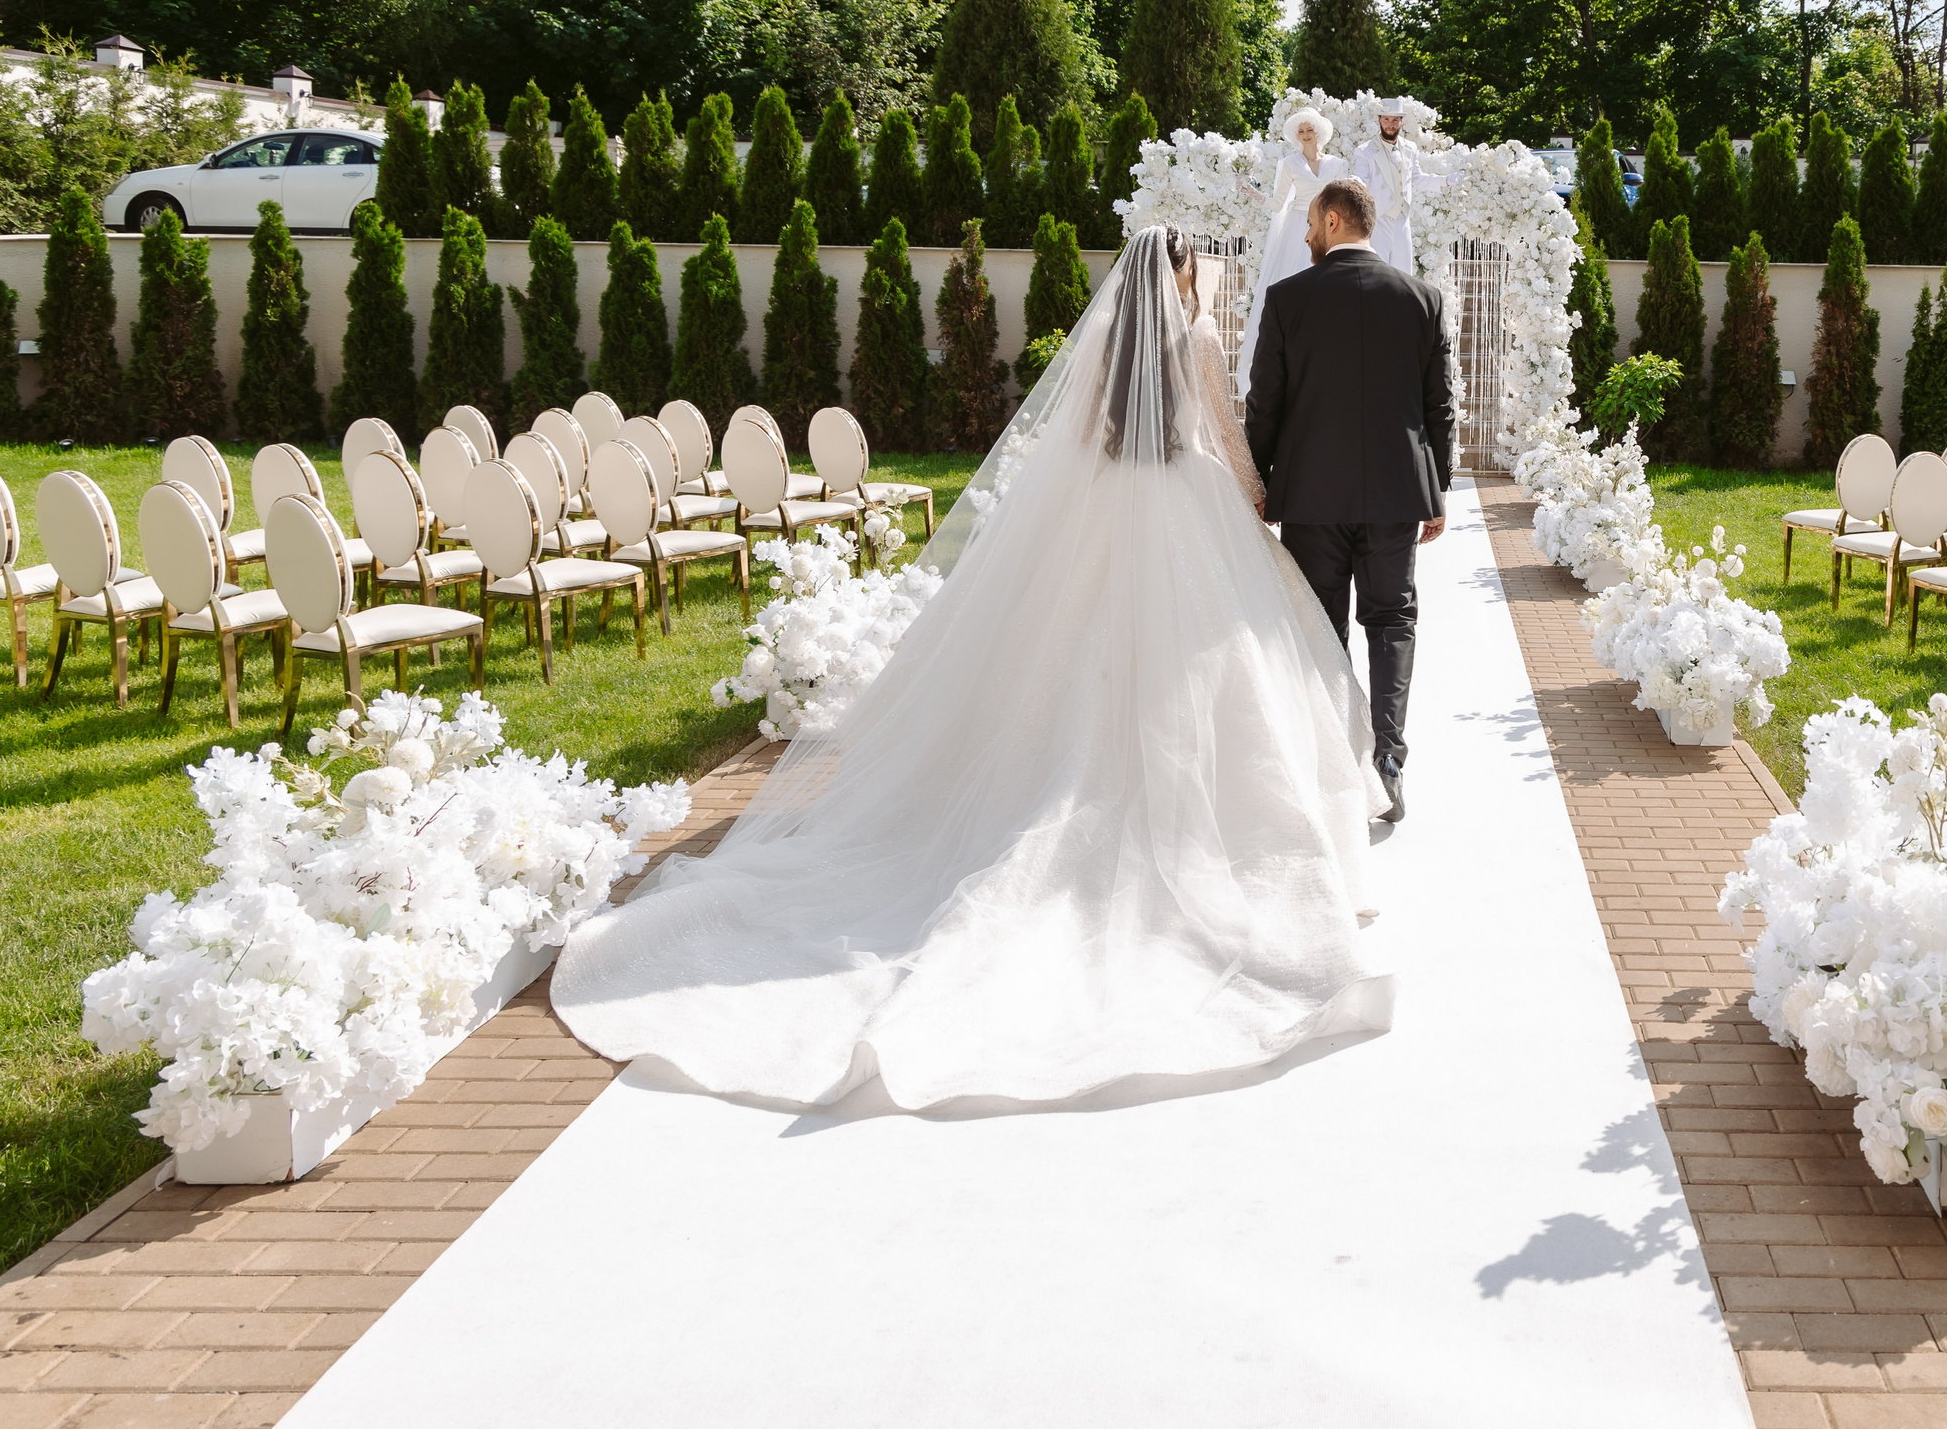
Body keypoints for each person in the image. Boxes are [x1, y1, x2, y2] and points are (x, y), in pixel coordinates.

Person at [553, 227, 1395, 1111]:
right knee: (1207, 669)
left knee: (1068, 660)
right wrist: (1257, 502)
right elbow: (1224, 438)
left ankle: (1049, 783)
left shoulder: (1105, 339)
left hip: (1098, 506)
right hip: (1184, 508)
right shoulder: (1198, 337)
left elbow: (1069, 440)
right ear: (1181, 274)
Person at [1245, 178, 1457, 825]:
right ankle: (1388, 761)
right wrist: (1436, 488)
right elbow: (1440, 406)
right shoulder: (1423, 299)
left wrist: (1260, 482)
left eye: (1311, 222)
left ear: (1335, 221)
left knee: (1321, 625)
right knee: (1392, 621)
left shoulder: (1286, 301)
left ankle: (1335, 763)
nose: (1306, 234)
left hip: (1310, 497)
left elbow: (1264, 404)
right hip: (1397, 494)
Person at [1237, 109, 1348, 386]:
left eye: (1310, 129)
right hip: (1298, 225)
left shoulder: (1337, 164)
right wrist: (1253, 193)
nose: (1306, 134)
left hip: (1329, 225)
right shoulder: (1288, 164)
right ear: (1296, 136)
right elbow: (1278, 204)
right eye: (1301, 131)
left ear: (1319, 132)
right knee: (1294, 286)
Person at [1350, 97, 1426, 274]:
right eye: (1386, 119)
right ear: (1379, 120)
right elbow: (1362, 179)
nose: (1390, 124)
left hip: (1402, 219)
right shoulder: (1364, 150)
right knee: (1377, 271)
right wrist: (1354, 182)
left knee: (1403, 273)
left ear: (1401, 122)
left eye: (1395, 120)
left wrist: (1446, 181)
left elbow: (1418, 178)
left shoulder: (1410, 148)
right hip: (1379, 218)